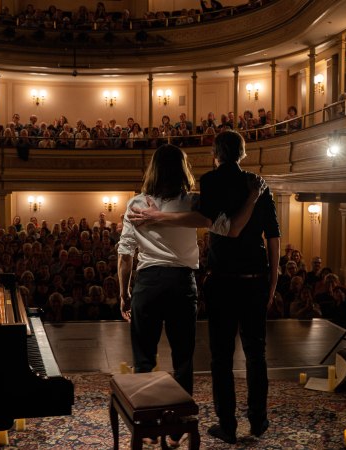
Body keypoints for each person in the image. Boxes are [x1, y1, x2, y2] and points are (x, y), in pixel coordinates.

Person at [129, 130, 279, 444]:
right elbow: (272, 237)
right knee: (256, 353)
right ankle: (258, 420)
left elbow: (209, 221)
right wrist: (272, 282)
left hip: (220, 280)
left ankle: (226, 425)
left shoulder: (209, 182)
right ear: (243, 153)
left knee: (220, 357)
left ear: (215, 154)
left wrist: (157, 216)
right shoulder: (259, 185)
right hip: (255, 278)